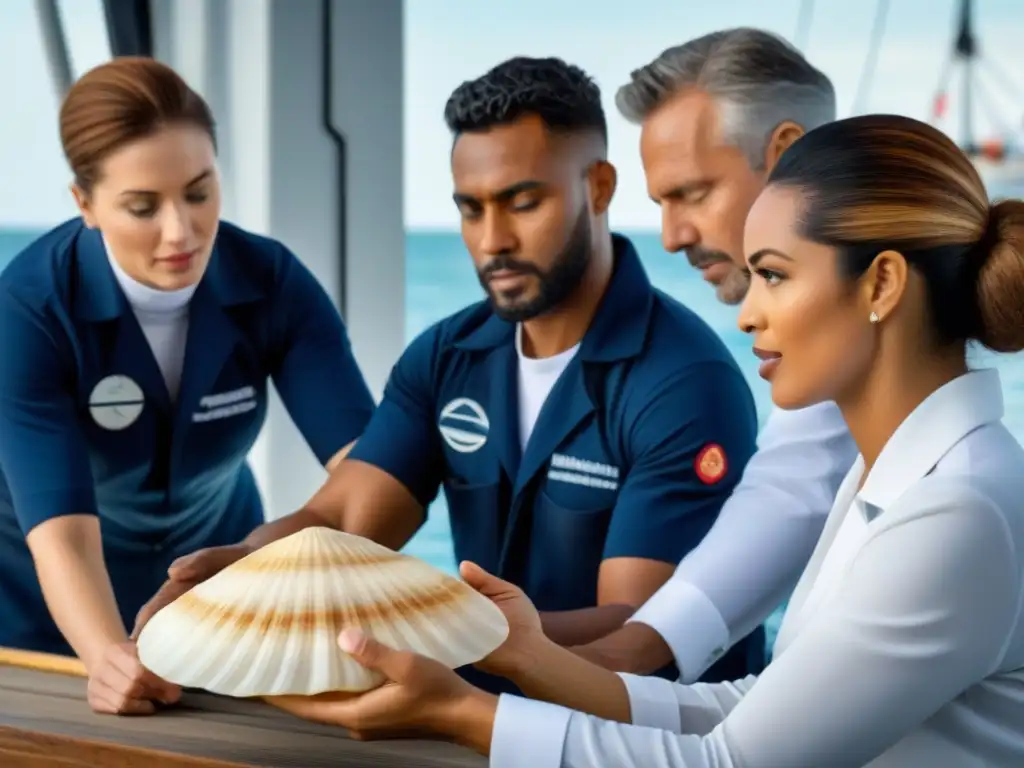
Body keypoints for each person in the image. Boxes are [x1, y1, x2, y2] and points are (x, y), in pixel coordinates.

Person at [268, 112, 1024, 767]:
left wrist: (463, 714)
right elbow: (761, 710)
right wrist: (525, 654)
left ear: (883, 286)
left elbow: (734, 762)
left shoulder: (955, 513)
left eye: (775, 276)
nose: (748, 316)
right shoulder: (900, 477)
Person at [133, 56, 763, 691]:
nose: (492, 241)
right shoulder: (446, 355)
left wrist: (422, 626)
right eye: (471, 209)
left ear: (598, 187)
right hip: (478, 722)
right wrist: (245, 573)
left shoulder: (686, 382)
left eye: (522, 203)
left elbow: (637, 626)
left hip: (639, 738)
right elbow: (344, 521)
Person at [0, 58, 375, 715]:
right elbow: (62, 532)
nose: (182, 231)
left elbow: (370, 469)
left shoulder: (274, 283)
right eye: (142, 207)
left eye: (199, 192)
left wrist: (300, 575)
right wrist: (105, 656)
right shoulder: (28, 310)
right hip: (42, 589)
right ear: (84, 204)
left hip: (213, 576)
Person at [571, 28, 859, 682]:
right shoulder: (826, 390)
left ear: (789, 156)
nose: (671, 238)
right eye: (661, 204)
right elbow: (790, 487)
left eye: (693, 193)